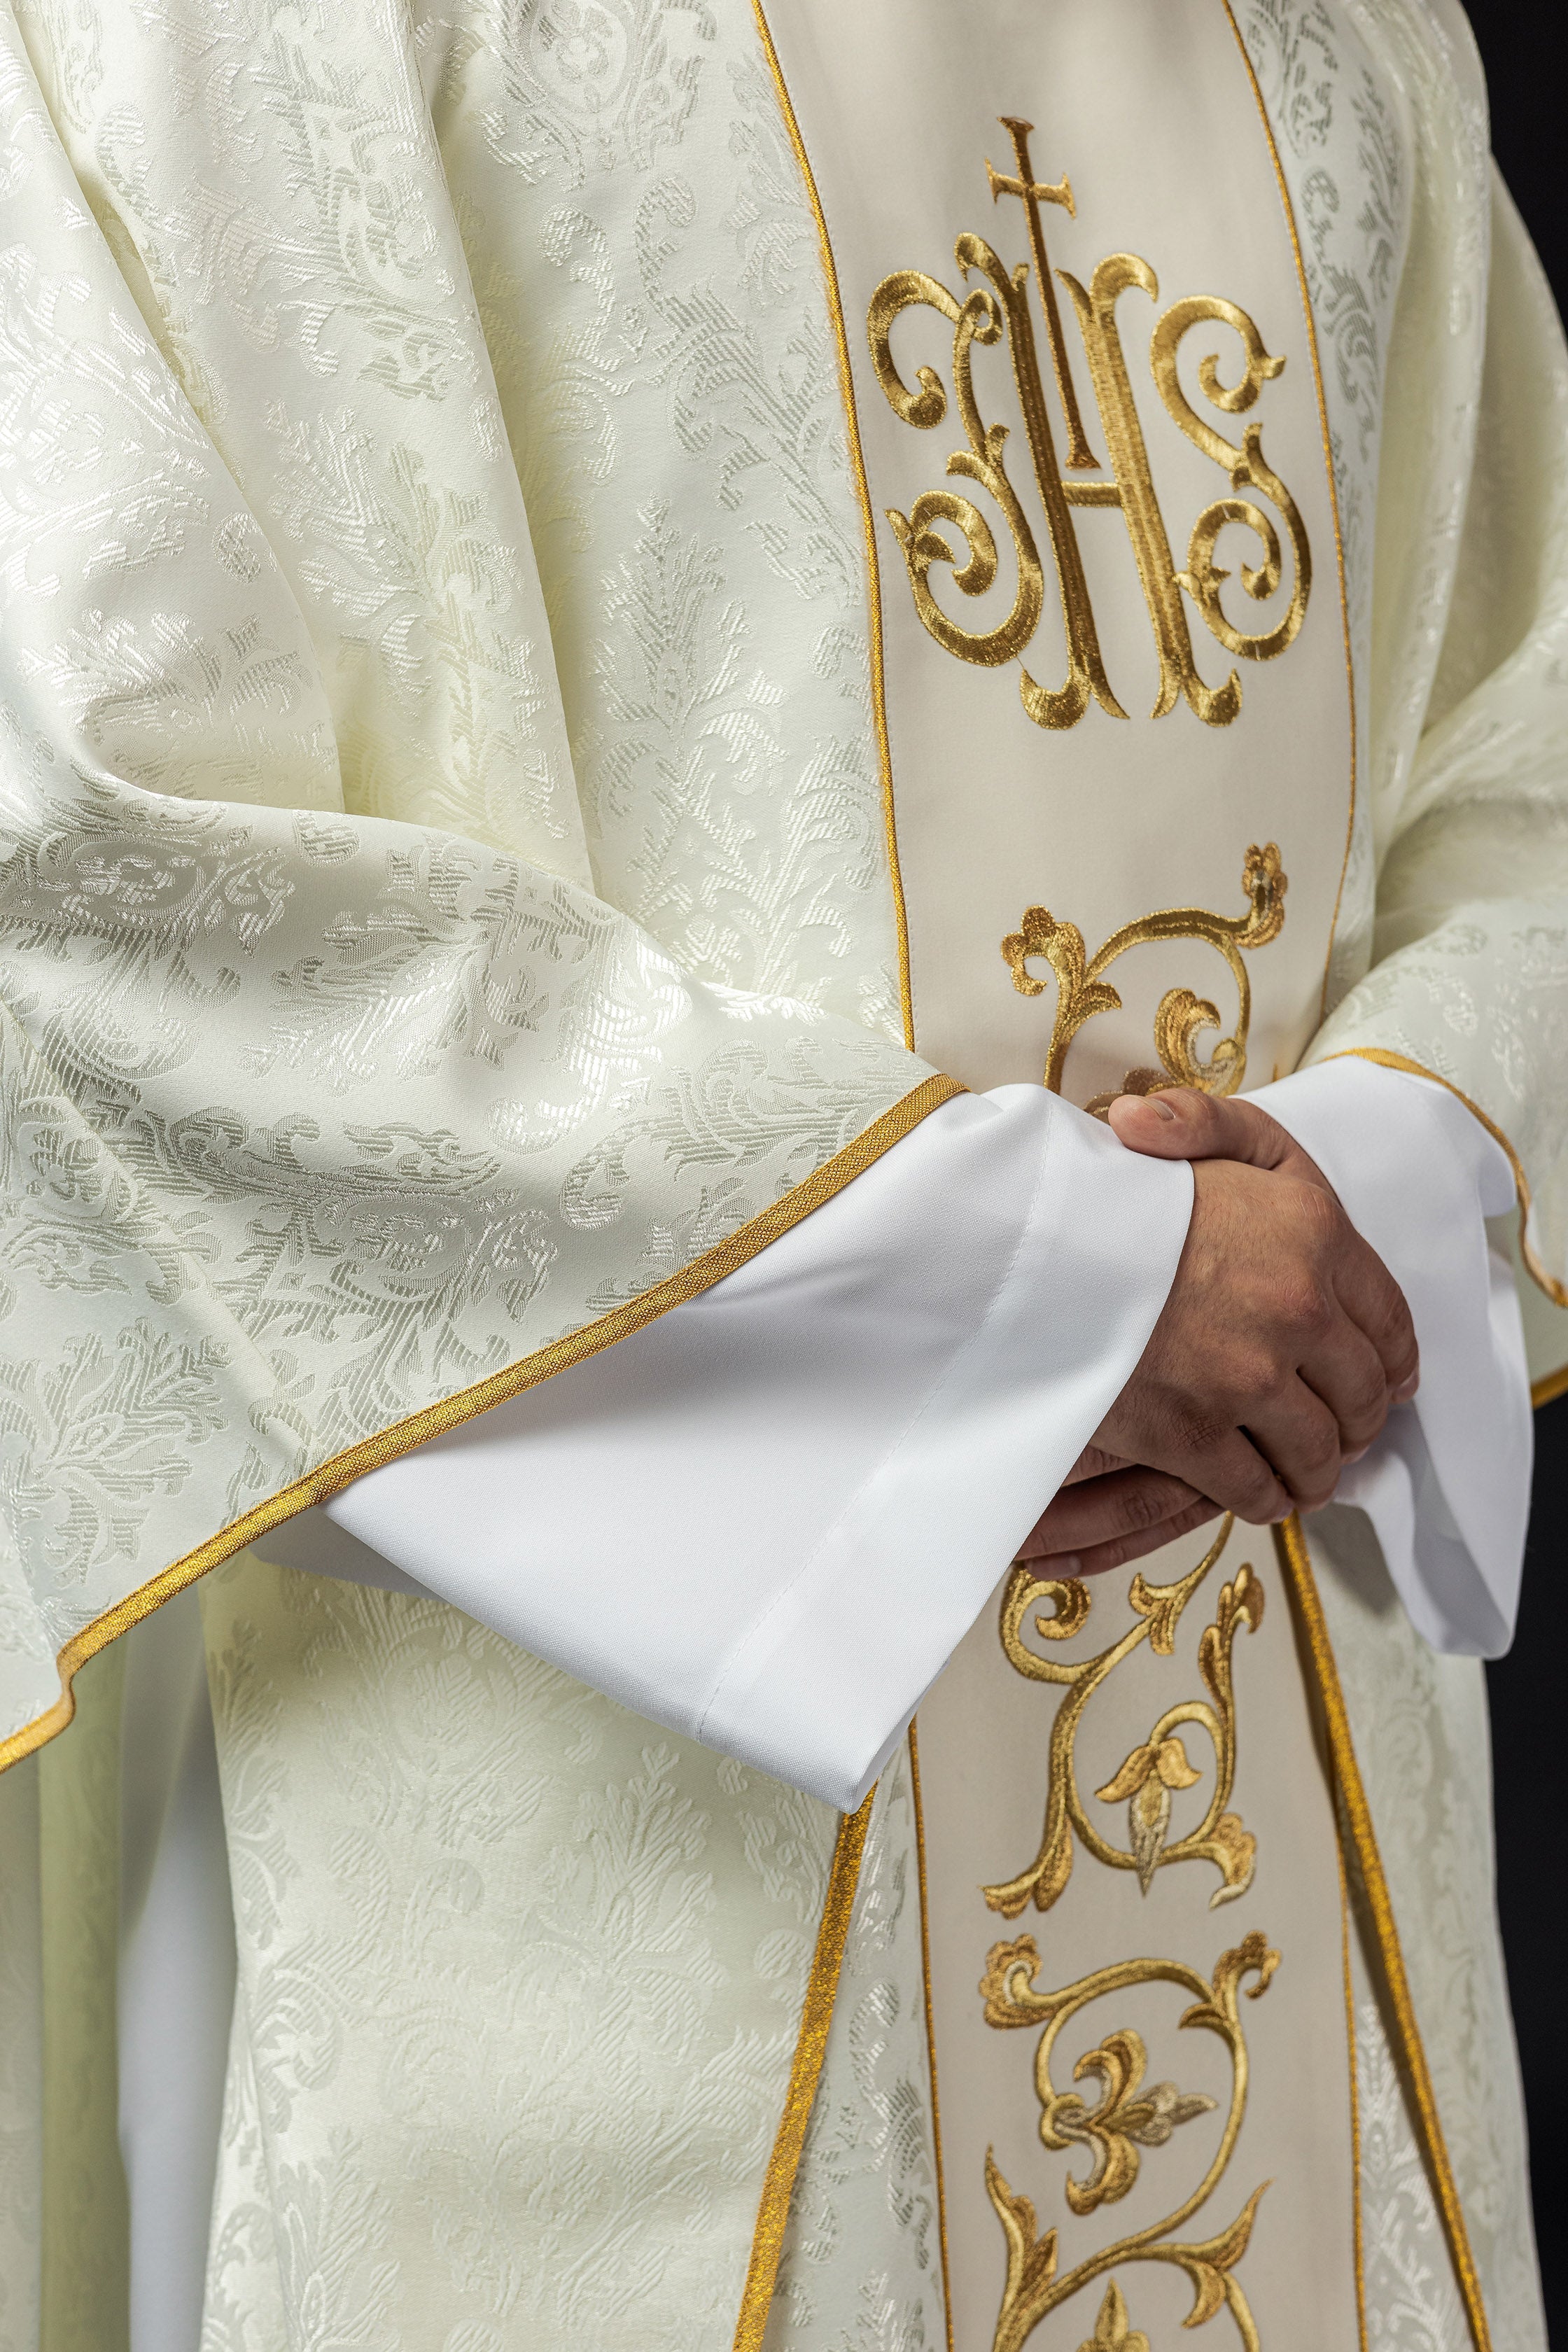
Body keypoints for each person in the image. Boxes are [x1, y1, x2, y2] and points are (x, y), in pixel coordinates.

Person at [0, 1, 1561, 2345]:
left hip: (1277, 1723)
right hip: (551, 1822)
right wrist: (1039, 1292)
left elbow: (1519, 732)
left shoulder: (1345, 33)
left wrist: (1361, 1217)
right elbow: (104, 844)